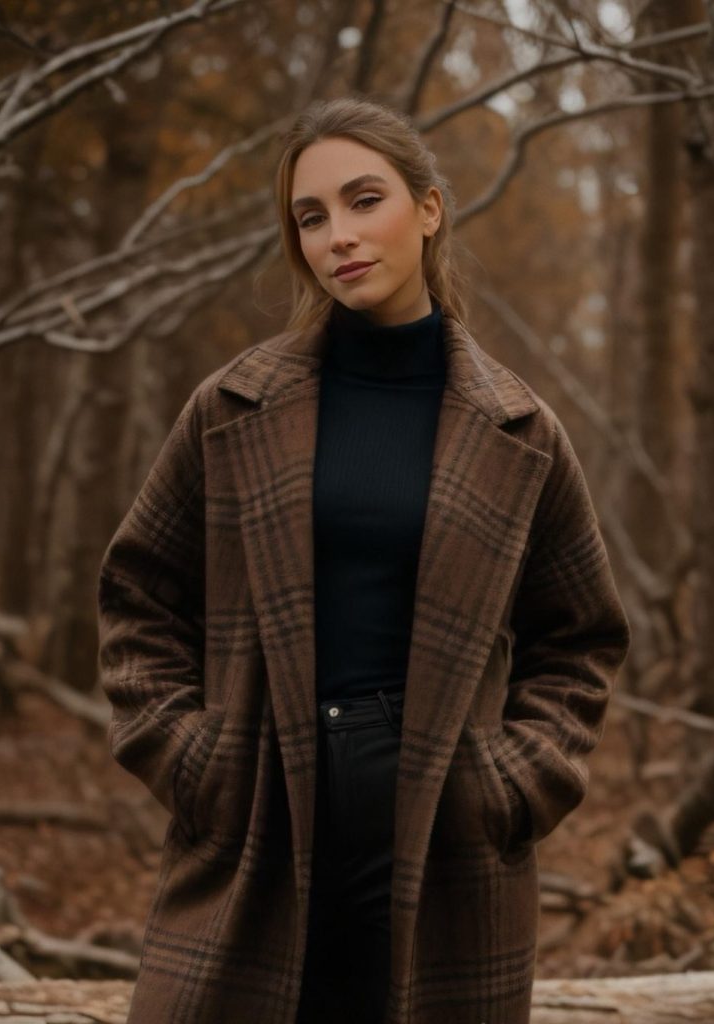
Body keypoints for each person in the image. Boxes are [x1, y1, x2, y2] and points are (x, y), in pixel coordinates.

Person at [97, 95, 630, 1024]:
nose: (337, 235)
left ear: (428, 209)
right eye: (310, 217)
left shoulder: (518, 431)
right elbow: (137, 598)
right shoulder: (231, 408)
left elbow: (578, 640)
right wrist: (196, 762)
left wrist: (510, 786)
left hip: (446, 835)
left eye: (363, 200)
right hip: (257, 817)